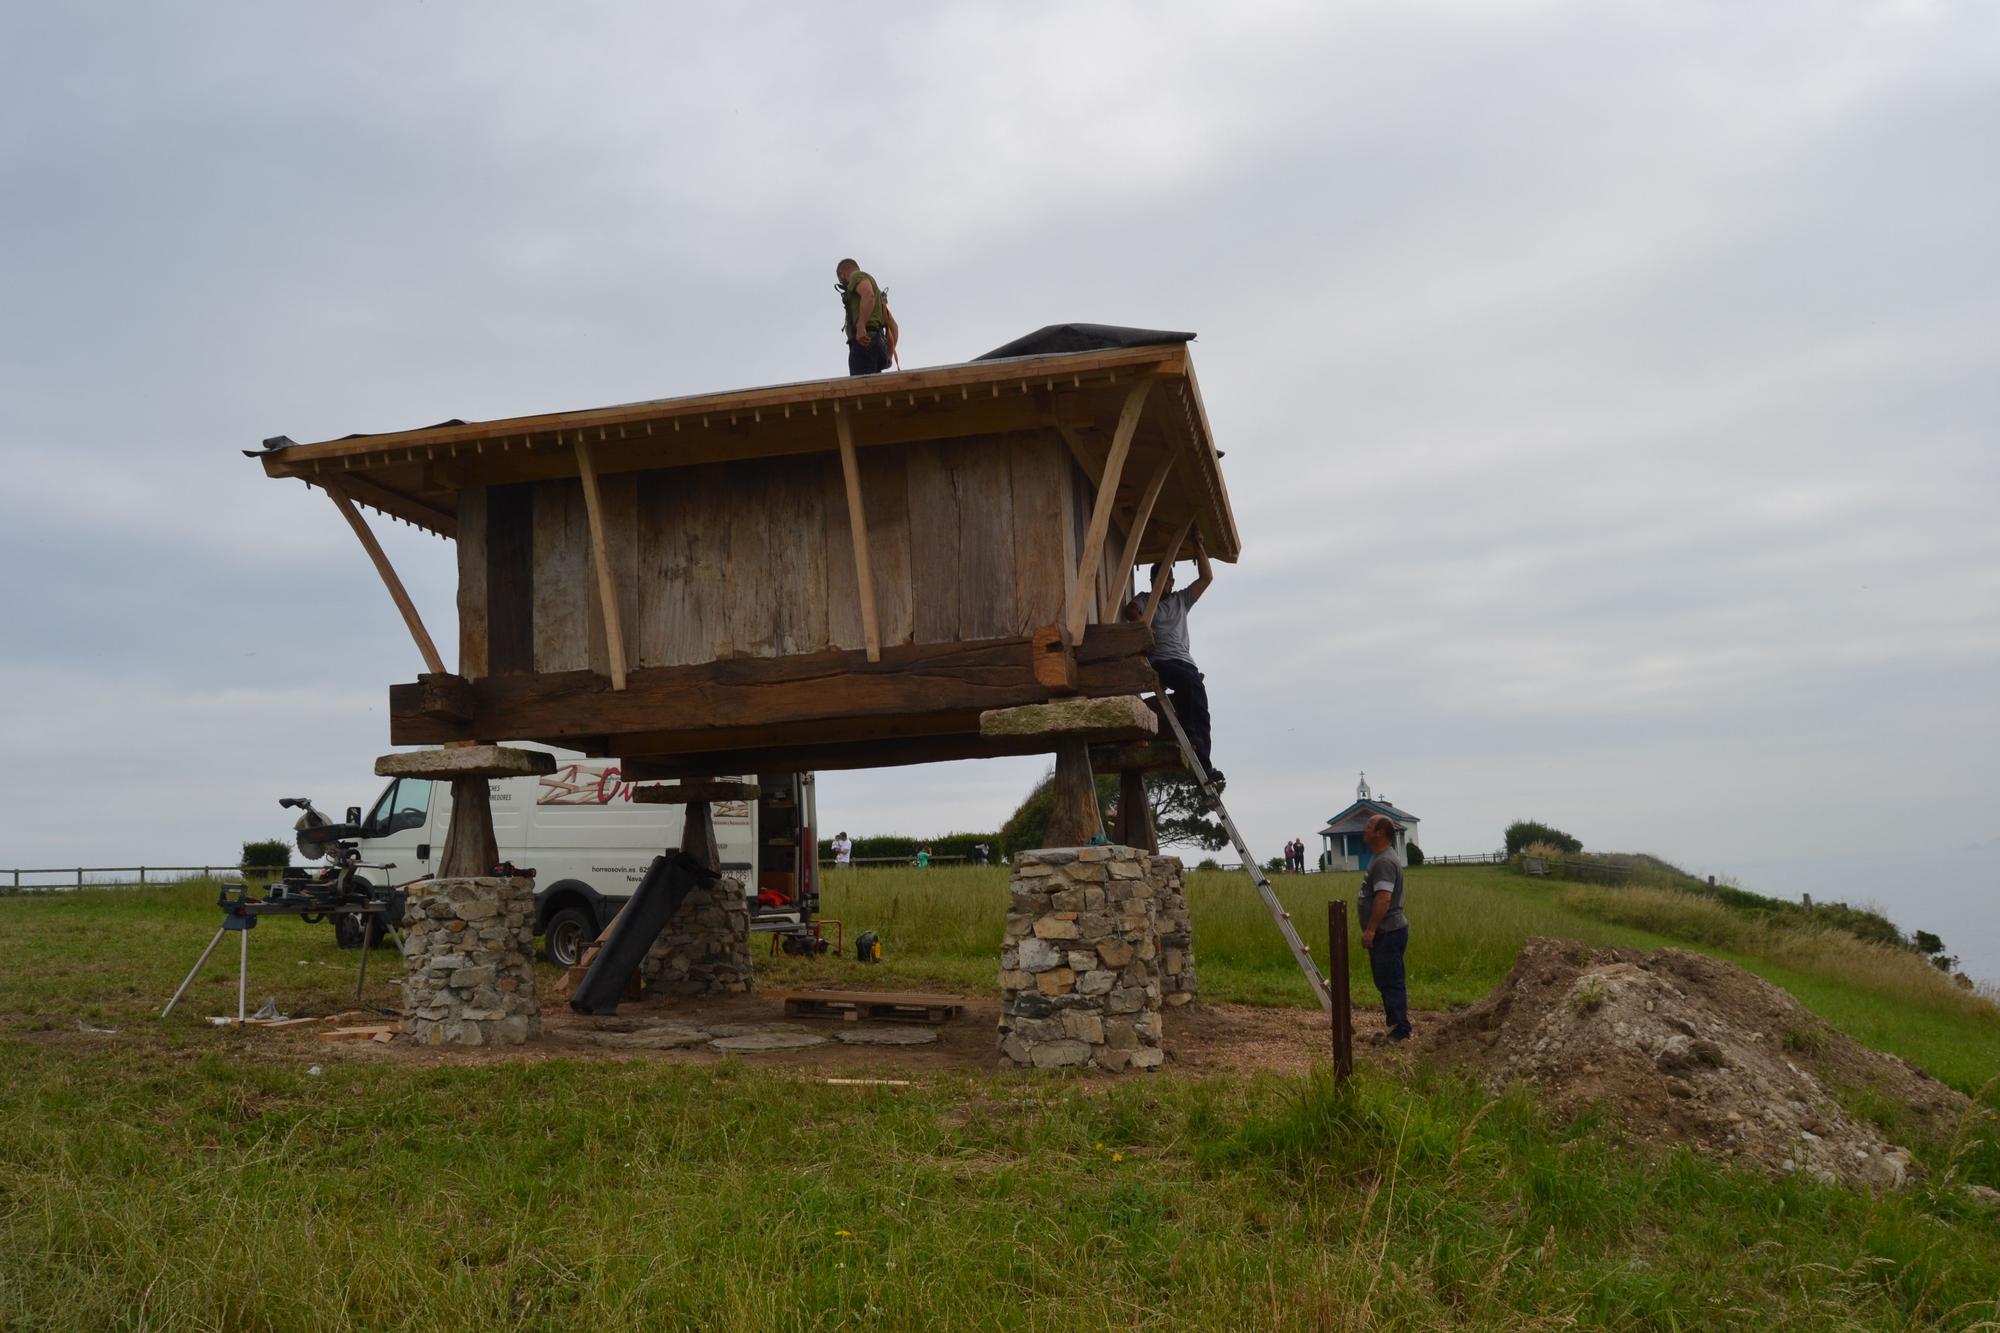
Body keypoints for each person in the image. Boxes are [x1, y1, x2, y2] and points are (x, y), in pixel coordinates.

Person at [1126, 533, 1220, 783]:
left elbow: (1206, 578)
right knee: (1190, 686)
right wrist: (1140, 622)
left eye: (1167, 581)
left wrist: (1199, 546)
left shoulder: (1181, 599)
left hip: (1186, 662)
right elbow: (1130, 611)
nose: (1165, 585)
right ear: (1153, 581)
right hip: (1161, 662)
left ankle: (1206, 767)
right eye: (1159, 580)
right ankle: (1191, 734)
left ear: (1171, 581)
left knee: (1202, 709)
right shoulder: (1146, 600)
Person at [1358, 814, 1412, 1043]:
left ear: (1380, 832)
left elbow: (1383, 898)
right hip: (1386, 931)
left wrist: (1371, 929)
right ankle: (1395, 1025)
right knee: (1386, 979)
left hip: (1388, 931)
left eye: (1369, 825)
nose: (1365, 828)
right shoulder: (1379, 858)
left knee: (1391, 980)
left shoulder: (1384, 862)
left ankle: (1400, 1030)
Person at [835, 258, 898, 376]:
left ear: (842, 275)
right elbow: (893, 326)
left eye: (840, 278)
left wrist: (861, 325)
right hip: (878, 345)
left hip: (864, 343)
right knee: (876, 390)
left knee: (860, 388)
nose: (842, 282)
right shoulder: (879, 297)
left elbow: (868, 295)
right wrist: (888, 355)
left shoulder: (856, 276)